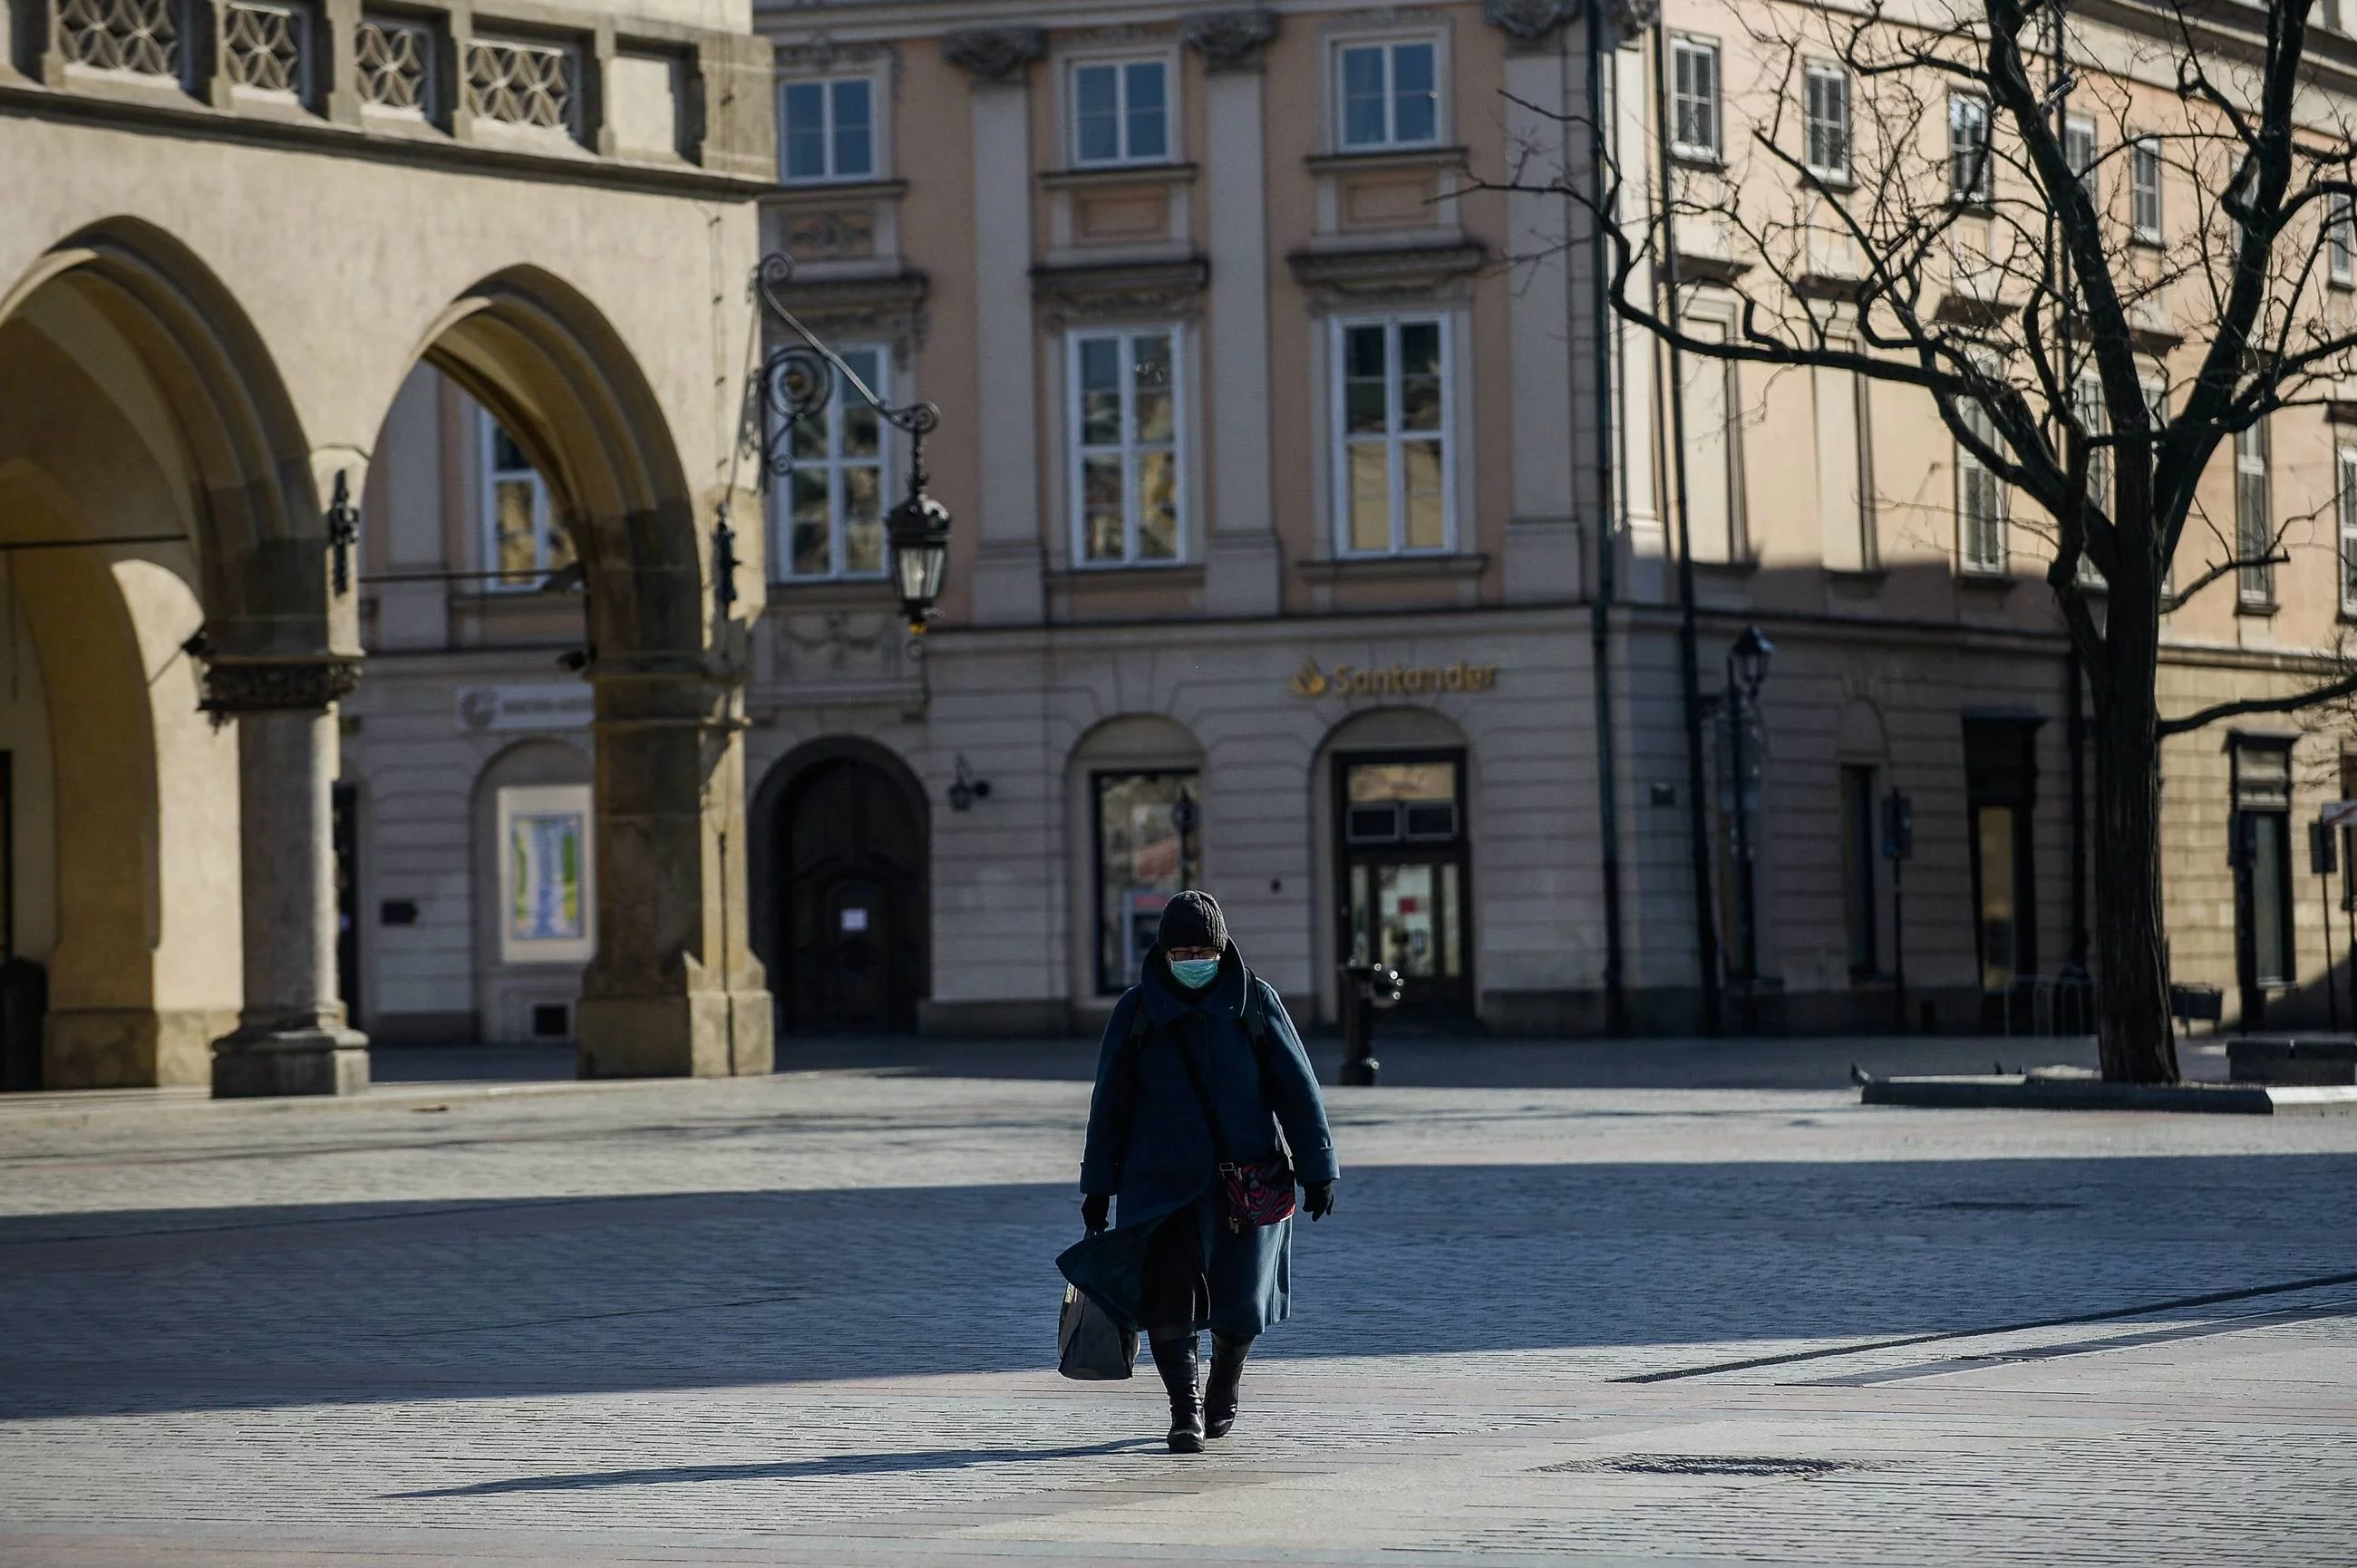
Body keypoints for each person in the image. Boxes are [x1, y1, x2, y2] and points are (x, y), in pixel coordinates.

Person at [1060, 890, 1339, 1454]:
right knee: (1167, 1295)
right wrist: (1098, 1186)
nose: (1193, 959)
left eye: (1202, 949)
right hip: (1158, 1184)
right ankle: (1183, 1410)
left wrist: (1318, 1169)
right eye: (1181, 950)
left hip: (1246, 1184)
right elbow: (1108, 1101)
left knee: (1242, 1299)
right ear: (1163, 953)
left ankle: (1223, 1388)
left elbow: (1297, 1089)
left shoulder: (1256, 1004)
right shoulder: (1136, 1012)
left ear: (1222, 947)